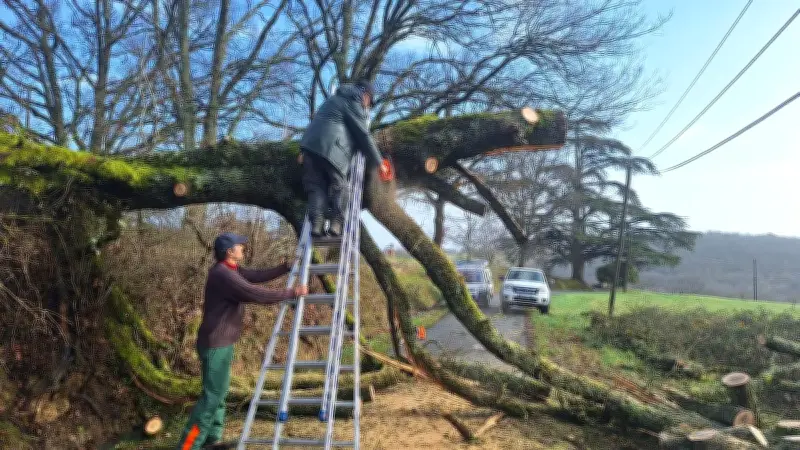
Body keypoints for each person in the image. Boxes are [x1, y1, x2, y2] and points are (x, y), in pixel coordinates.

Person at [176, 232, 308, 450]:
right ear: (229, 252)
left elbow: (254, 276)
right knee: (211, 399)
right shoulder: (223, 275)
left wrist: (284, 267)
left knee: (219, 394)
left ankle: (212, 441)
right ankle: (188, 445)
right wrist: (291, 292)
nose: (243, 249)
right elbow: (254, 293)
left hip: (220, 343)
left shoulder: (230, 270)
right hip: (215, 345)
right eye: (240, 246)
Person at [299, 79, 391, 238]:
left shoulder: (332, 101)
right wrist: (379, 163)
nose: (368, 107)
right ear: (365, 95)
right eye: (369, 102)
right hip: (332, 150)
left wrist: (302, 150)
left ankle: (317, 225)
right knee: (341, 187)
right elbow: (363, 135)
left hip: (310, 148)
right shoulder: (353, 101)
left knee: (316, 188)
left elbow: (316, 124)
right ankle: (337, 223)